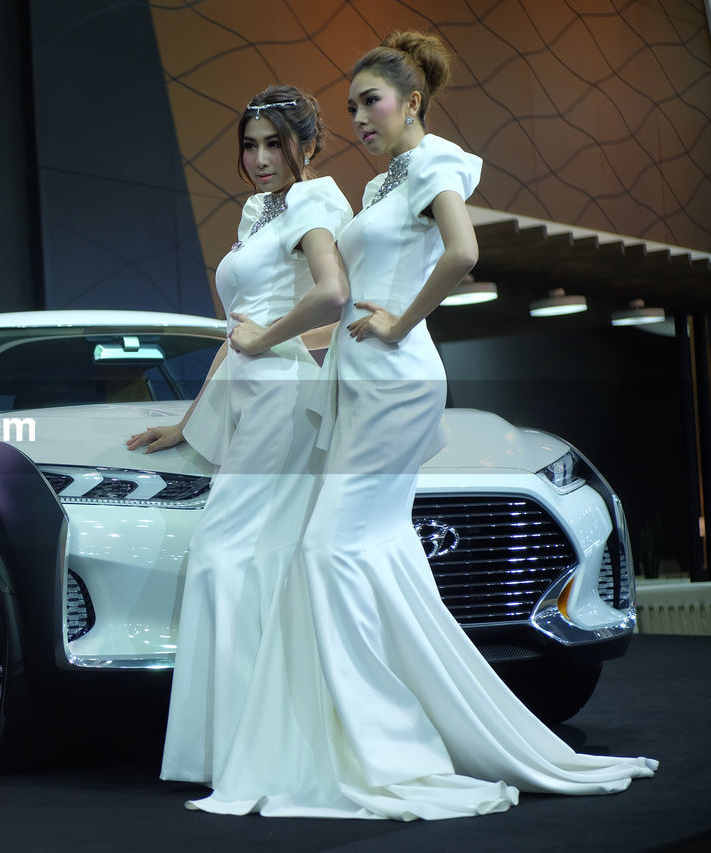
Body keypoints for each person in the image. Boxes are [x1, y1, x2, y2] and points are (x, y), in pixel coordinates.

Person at [189, 31, 657, 820]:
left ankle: (385, 747)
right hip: (360, 379)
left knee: (329, 551)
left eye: (372, 101)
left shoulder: (435, 159)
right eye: (351, 106)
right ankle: (386, 731)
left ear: (412, 102)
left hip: (396, 380)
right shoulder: (377, 188)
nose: (361, 117)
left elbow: (464, 251)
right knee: (375, 552)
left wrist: (401, 321)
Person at [126, 85, 353, 788]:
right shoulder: (258, 212)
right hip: (253, 400)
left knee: (227, 555)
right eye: (249, 145)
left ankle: (257, 752)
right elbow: (236, 333)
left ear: (306, 145)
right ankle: (247, 746)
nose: (259, 159)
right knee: (252, 562)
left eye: (273, 143)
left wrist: (269, 337)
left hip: (287, 400)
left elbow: (334, 294)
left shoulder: (315, 203)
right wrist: (188, 422)